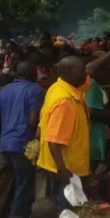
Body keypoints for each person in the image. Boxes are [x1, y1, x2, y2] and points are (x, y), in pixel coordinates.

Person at [0, 61, 45, 218]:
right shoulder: (35, 90)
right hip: (23, 143)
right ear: (33, 74)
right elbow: (32, 119)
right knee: (24, 185)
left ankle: (2, 216)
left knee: (15, 182)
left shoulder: (5, 90)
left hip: (5, 143)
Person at [37, 56, 90, 209]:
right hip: (66, 170)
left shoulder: (61, 87)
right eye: (82, 71)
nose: (86, 74)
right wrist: (63, 171)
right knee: (67, 214)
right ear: (68, 72)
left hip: (63, 166)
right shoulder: (64, 101)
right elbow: (54, 141)